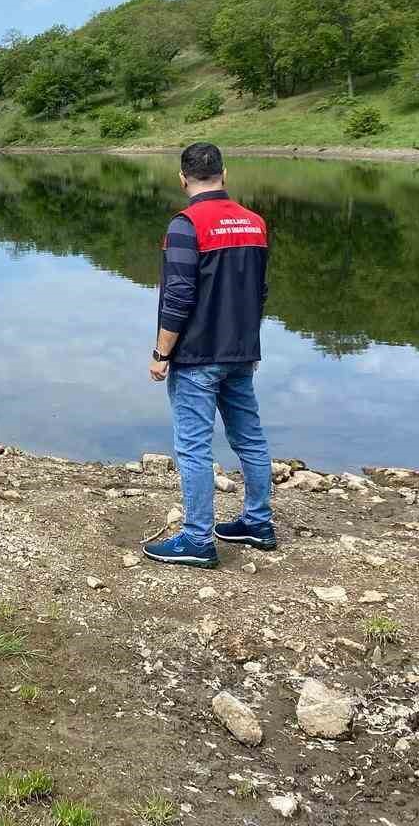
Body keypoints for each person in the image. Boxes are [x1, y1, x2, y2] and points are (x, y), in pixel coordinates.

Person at [144, 142, 274, 568]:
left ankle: (197, 540)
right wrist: (248, 344)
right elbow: (260, 292)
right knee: (250, 438)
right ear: (225, 173)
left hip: (198, 355)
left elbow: (179, 295)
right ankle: (258, 522)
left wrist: (162, 352)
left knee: (194, 447)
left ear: (182, 179)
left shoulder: (186, 224)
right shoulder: (254, 223)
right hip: (241, 352)